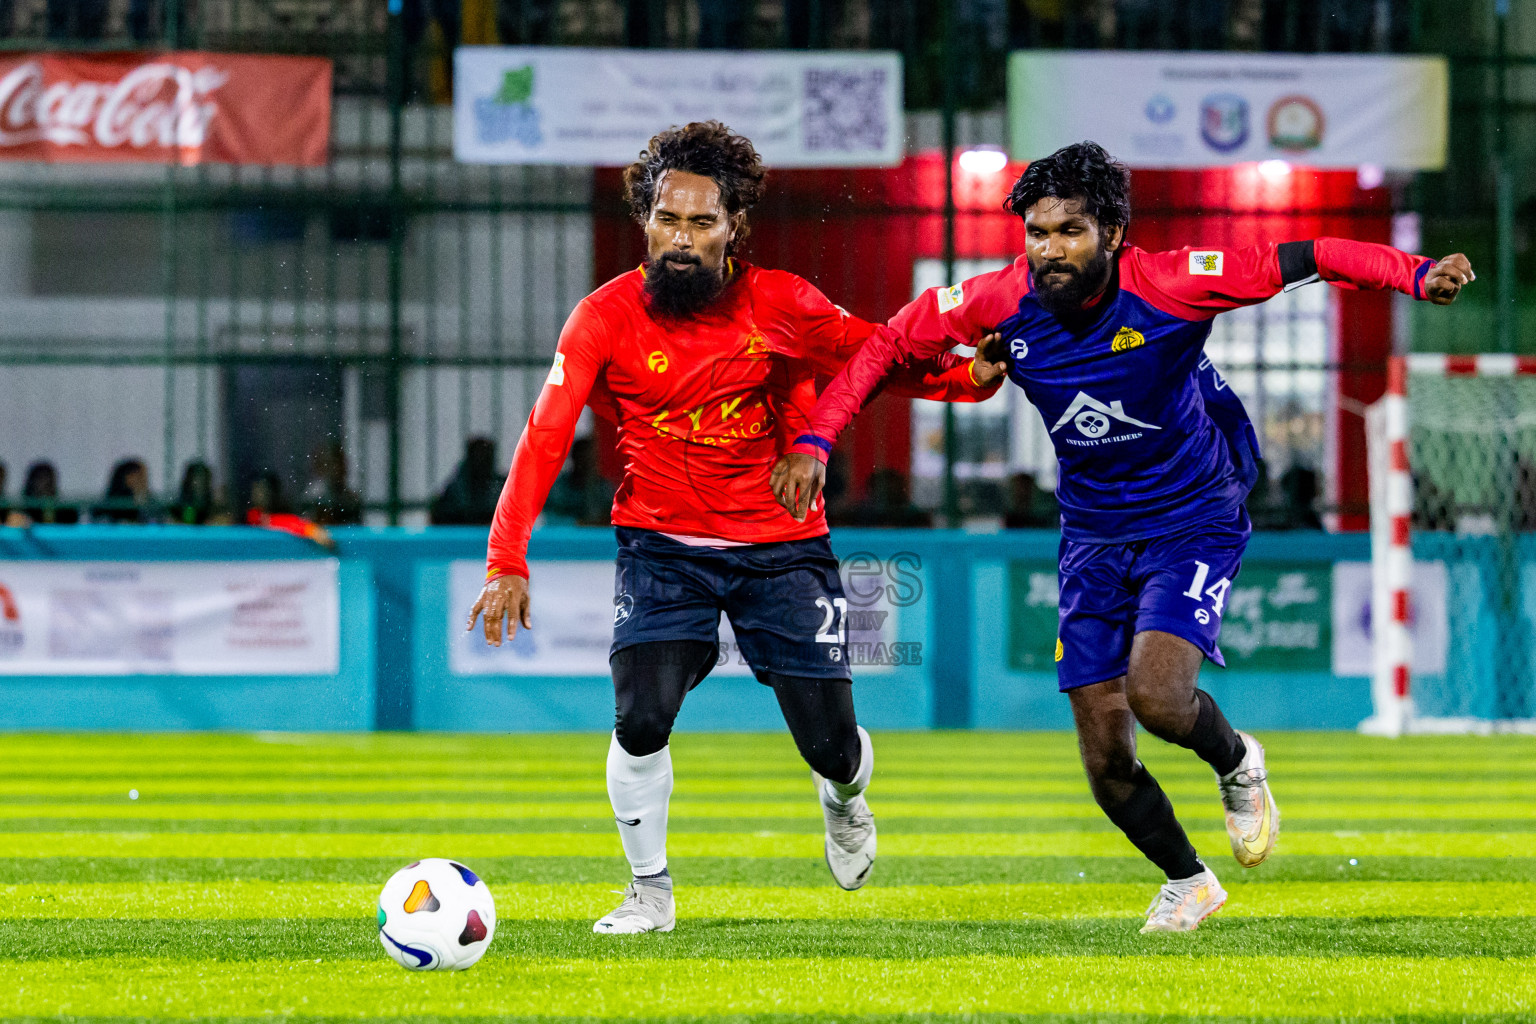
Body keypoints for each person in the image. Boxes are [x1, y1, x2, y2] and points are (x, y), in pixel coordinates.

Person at [774, 141, 1473, 933]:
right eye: (1036, 233)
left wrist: (1412, 275)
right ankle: (1190, 881)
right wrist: (816, 442)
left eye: (1068, 231)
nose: (1048, 251)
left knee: (1159, 697)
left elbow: (1310, 256)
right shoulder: (998, 300)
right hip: (1093, 536)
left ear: (1112, 231)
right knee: (1105, 755)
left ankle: (1237, 762)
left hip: (1190, 517)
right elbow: (887, 346)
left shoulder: (1171, 282)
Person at [466, 121, 1005, 936]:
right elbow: (544, 438)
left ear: (734, 226)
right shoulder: (602, 317)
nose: (679, 239)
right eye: (665, 220)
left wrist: (966, 378)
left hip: (782, 548)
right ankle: (649, 892)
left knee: (830, 746)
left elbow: (875, 359)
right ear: (645, 219)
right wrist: (506, 558)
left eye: (700, 223)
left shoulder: (782, 303)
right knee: (640, 719)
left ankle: (846, 796)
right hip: (662, 548)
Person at [430, 437, 506, 526]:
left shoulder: (500, 487)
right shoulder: (456, 490)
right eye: (477, 454)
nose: (481, 459)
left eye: (484, 454)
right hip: (459, 537)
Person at [300, 442, 362, 526]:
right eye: (335, 465)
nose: (340, 469)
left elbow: (353, 527)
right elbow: (308, 525)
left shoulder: (349, 497)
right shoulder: (315, 493)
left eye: (342, 464)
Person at [94, 459, 158, 524]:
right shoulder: (110, 507)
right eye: (140, 476)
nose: (144, 481)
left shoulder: (151, 503)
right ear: (127, 478)